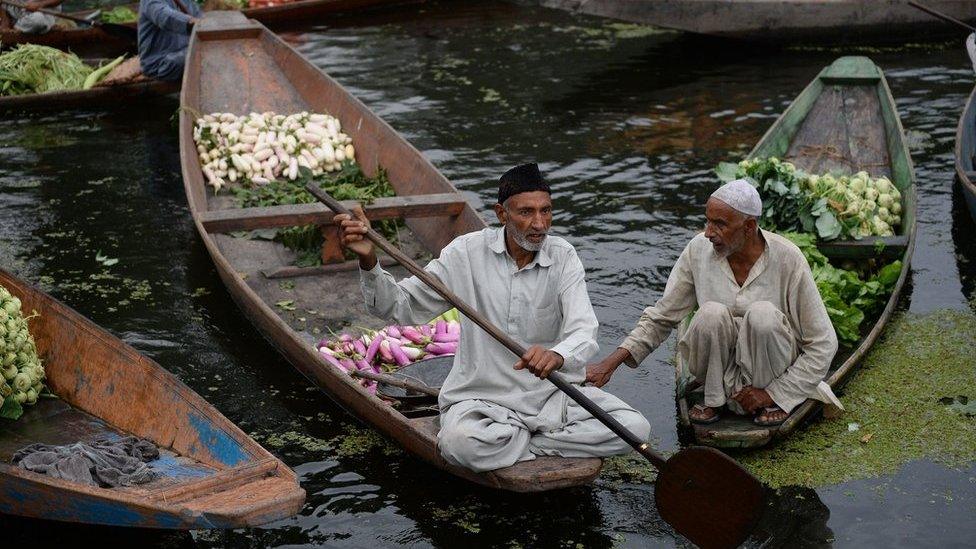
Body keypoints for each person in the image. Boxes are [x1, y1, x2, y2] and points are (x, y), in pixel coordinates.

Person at [335, 163, 651, 473]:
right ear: (501, 214)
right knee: (461, 443)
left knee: (635, 428)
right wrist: (368, 260)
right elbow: (397, 307)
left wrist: (557, 354)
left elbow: (584, 329)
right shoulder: (465, 254)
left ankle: (522, 444)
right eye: (526, 212)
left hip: (552, 399)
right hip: (483, 401)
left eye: (546, 211)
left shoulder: (564, 256)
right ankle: (531, 441)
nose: (539, 223)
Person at [586, 179, 840, 426]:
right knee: (710, 314)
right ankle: (714, 397)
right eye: (707, 221)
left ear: (749, 227)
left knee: (763, 316)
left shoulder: (788, 258)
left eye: (719, 224)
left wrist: (776, 392)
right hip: (718, 374)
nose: (708, 233)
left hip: (771, 375)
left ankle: (768, 401)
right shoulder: (698, 251)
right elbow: (662, 317)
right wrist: (610, 364)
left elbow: (823, 343)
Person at [137, 0, 201, 82]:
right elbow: (165, 16)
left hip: (183, 52)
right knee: (192, 57)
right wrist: (193, 22)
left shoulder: (187, 1)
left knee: (203, 52)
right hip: (160, 63)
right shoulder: (149, 1)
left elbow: (200, 16)